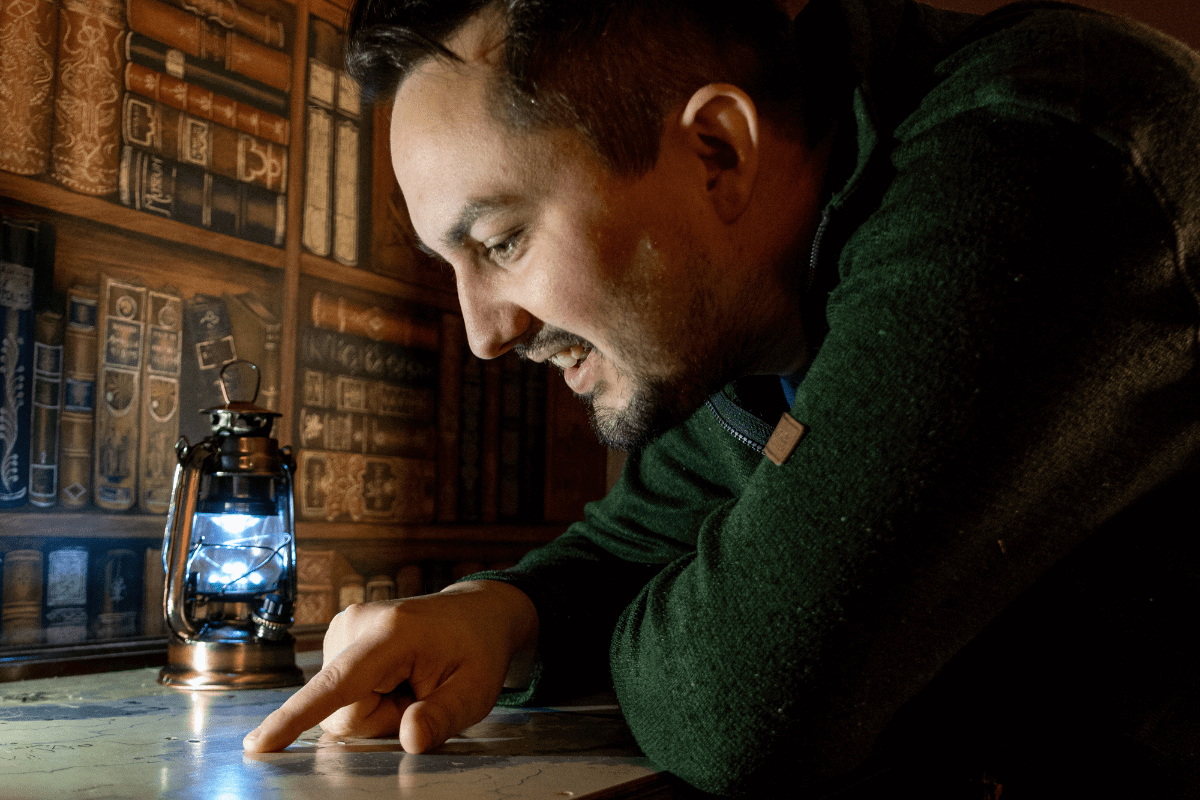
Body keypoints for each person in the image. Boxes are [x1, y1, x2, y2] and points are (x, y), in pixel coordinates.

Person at [245, 0, 1200, 795]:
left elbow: (740, 703)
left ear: (717, 151)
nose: (485, 335)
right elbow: (636, 539)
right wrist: (499, 614)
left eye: (500, 242)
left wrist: (725, 614)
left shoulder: (1036, 159)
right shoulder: (755, 313)